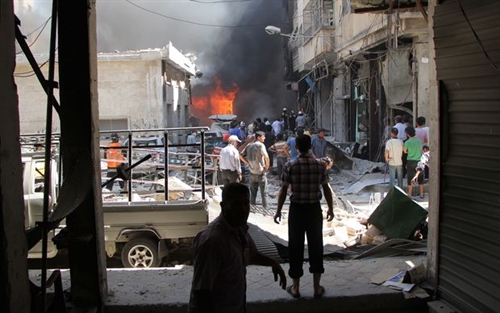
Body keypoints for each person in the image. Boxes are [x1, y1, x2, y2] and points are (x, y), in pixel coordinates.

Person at [188, 183, 286, 313]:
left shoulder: (239, 228)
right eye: (236, 204)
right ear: (223, 206)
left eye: (246, 204)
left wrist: (273, 262)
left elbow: (251, 254)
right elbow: (202, 292)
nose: (243, 209)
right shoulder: (213, 241)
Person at [274, 135, 334, 299]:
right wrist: (330, 208)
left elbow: (283, 191)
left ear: (297, 148)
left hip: (297, 210)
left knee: (295, 247)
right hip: (314, 210)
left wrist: (278, 211)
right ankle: (316, 287)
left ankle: (295, 287)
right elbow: (326, 188)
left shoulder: (290, 165)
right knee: (316, 246)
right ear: (310, 147)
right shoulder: (320, 165)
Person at [240, 131, 270, 210]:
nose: (264, 138)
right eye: (263, 136)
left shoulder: (249, 145)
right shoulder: (261, 145)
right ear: (258, 137)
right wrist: (267, 165)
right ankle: (265, 210)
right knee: (264, 193)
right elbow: (266, 156)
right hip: (261, 173)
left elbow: (240, 155)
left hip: (252, 173)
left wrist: (248, 163)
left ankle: (252, 209)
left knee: (253, 193)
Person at [404, 126, 423, 198]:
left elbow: (405, 151)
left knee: (410, 177)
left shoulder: (407, 142)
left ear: (407, 134)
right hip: (419, 160)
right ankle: (421, 194)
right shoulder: (419, 141)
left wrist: (410, 151)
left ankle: (409, 194)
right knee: (421, 177)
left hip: (410, 161)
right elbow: (421, 150)